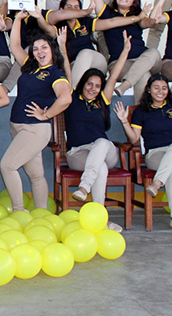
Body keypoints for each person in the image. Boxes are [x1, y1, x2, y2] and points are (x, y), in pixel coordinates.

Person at [56, 29, 131, 228]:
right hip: (78, 153)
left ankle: (84, 186)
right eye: (89, 84)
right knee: (101, 168)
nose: (93, 88)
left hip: (105, 150)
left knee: (103, 142)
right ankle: (101, 220)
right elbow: (67, 69)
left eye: (97, 86)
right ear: (82, 84)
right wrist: (63, 47)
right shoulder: (72, 99)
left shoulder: (103, 100)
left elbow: (114, 76)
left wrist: (125, 51)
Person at [115, 75, 172, 237]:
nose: (160, 91)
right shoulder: (141, 111)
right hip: (156, 155)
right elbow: (134, 138)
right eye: (156, 87)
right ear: (148, 89)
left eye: (164, 88)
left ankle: (157, 182)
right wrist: (124, 121)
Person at [3, 10, 72, 212]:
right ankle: (42, 213)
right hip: (17, 126)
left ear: (52, 49)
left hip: (35, 129)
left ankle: (18, 210)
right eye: (35, 48)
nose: (39, 51)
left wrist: (46, 114)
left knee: (7, 166)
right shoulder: (30, 67)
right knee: (36, 174)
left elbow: (66, 98)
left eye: (44, 47)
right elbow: (14, 46)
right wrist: (17, 19)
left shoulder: (55, 73)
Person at [93, 0, 160, 103]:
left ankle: (125, 85)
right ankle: (141, 117)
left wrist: (154, 20)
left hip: (144, 59)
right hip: (120, 64)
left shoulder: (138, 16)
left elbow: (148, 23)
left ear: (134, 1)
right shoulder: (107, 13)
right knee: (144, 75)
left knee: (154, 52)